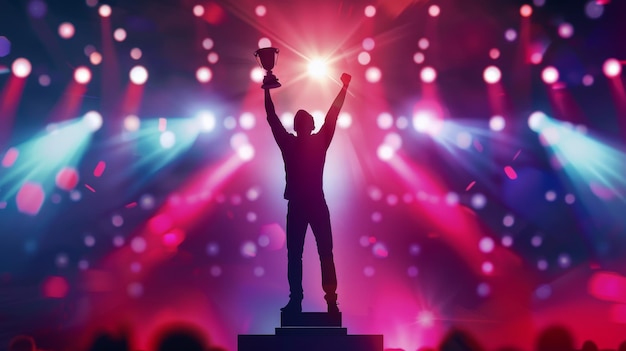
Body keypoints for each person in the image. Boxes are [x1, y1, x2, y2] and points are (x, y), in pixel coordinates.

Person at [264, 73, 351, 314]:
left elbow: (272, 118)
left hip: (301, 204)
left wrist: (266, 91)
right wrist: (344, 87)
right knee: (323, 252)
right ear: (311, 125)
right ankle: (330, 301)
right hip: (314, 203)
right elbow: (333, 113)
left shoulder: (290, 143)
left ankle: (300, 300)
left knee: (298, 255)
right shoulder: (318, 140)